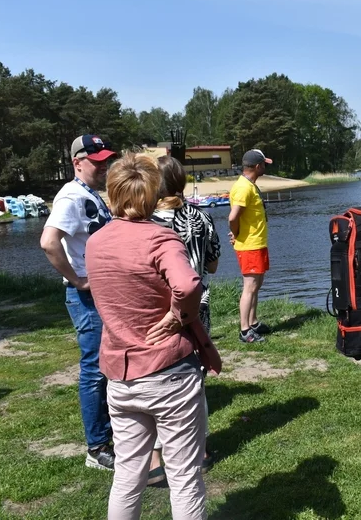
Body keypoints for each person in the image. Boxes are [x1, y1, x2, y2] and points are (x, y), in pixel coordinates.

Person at [86, 153, 220, 519]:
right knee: (184, 477)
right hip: (169, 373)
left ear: (112, 196)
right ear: (152, 195)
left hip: (120, 375)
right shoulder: (161, 239)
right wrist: (180, 316)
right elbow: (190, 282)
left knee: (128, 475)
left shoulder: (96, 242)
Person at [40, 134, 117, 471]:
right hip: (86, 295)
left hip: (99, 291)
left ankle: (109, 433)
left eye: (105, 160)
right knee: (94, 370)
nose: (103, 166)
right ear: (77, 162)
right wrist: (77, 279)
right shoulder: (71, 196)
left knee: (105, 366)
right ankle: (96, 447)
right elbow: (48, 242)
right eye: (96, 160)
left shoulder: (88, 194)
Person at [150, 156, 221, 480]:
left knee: (150, 378)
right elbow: (212, 265)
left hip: (155, 310)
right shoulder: (203, 218)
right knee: (194, 380)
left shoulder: (145, 222)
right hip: (197, 308)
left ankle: (153, 461)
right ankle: (200, 449)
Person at [228, 149, 273, 343]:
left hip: (257, 243)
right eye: (264, 164)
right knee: (250, 286)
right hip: (249, 246)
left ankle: (253, 322)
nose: (265, 167)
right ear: (257, 166)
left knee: (257, 285)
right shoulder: (243, 188)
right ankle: (245, 330)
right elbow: (232, 217)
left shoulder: (250, 185)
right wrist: (237, 234)